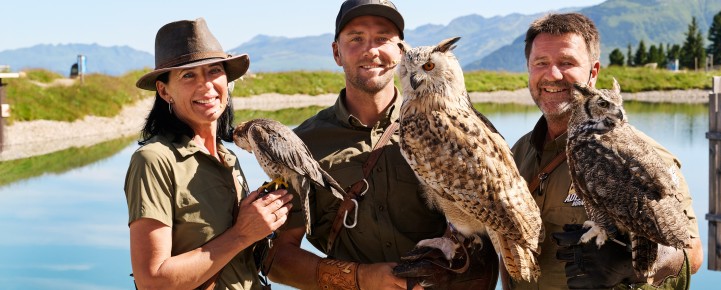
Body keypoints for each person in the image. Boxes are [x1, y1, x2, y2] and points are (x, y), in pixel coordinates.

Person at [266, 1, 498, 289]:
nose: (371, 50)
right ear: (337, 52)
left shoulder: (455, 130)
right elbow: (276, 259)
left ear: (401, 51)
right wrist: (361, 278)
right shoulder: (300, 145)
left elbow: (495, 228)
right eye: (356, 38)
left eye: (383, 39)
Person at [505, 13, 704, 290]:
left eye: (567, 63)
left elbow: (690, 253)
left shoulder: (639, 153)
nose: (553, 74)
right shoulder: (517, 152)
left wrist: (628, 265)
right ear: (529, 69)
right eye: (541, 63)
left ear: (593, 72)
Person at [124, 18, 292, 290]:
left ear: (228, 81)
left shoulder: (229, 157)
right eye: (188, 75)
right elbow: (151, 281)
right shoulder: (154, 160)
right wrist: (242, 234)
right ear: (164, 90)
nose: (206, 85)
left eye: (214, 71)